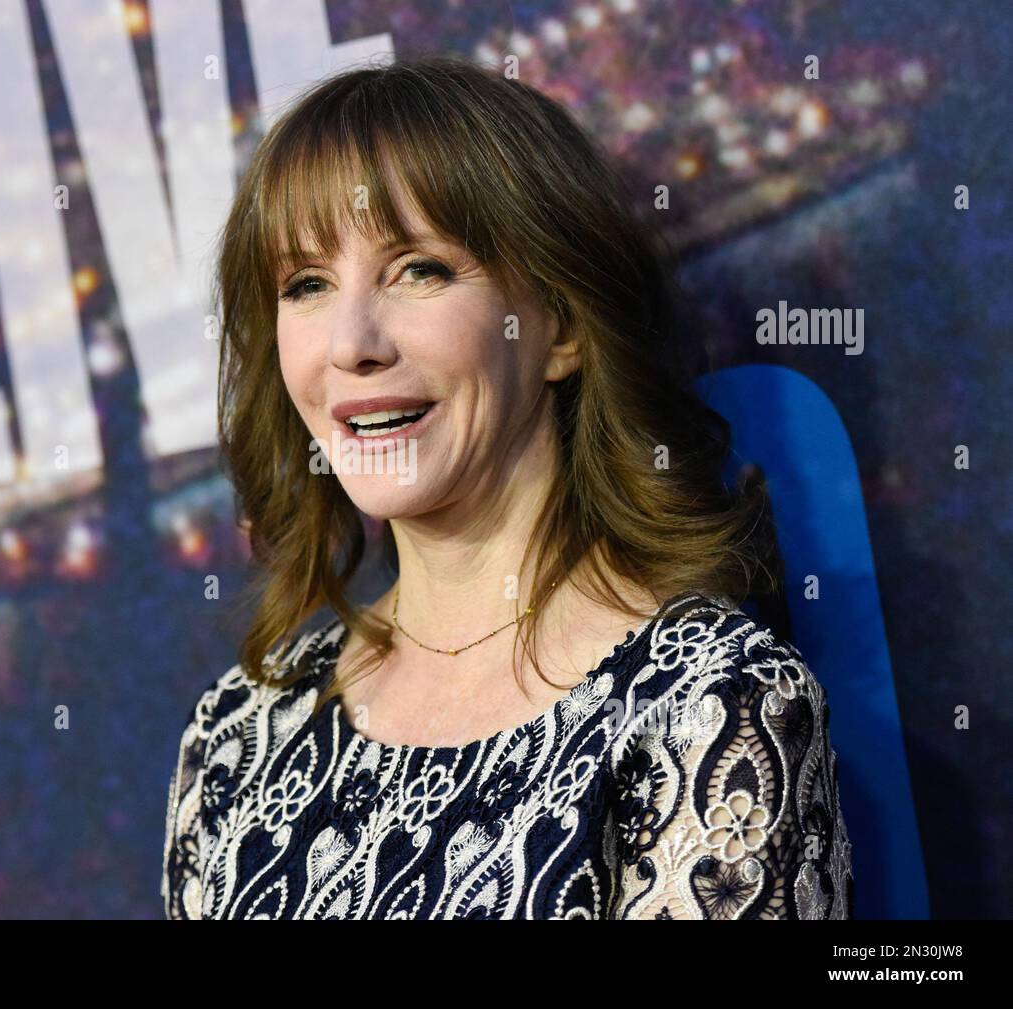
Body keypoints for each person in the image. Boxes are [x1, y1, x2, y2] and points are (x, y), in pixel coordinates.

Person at [161, 53, 853, 919]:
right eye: (305, 284)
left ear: (560, 325)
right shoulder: (237, 732)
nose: (351, 344)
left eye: (419, 270)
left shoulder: (711, 708)